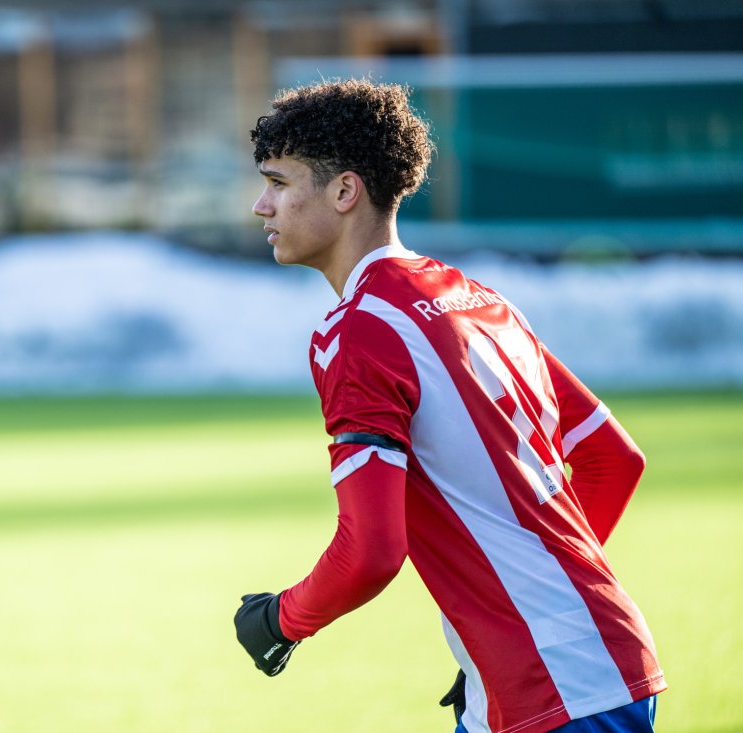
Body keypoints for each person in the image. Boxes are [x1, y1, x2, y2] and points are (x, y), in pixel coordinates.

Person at [232, 79, 666, 733]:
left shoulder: (358, 330)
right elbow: (613, 459)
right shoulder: (480, 300)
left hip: (552, 694)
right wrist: (527, 608)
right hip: (606, 660)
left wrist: (280, 619)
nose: (261, 206)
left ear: (345, 191)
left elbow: (372, 551)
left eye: (279, 183)